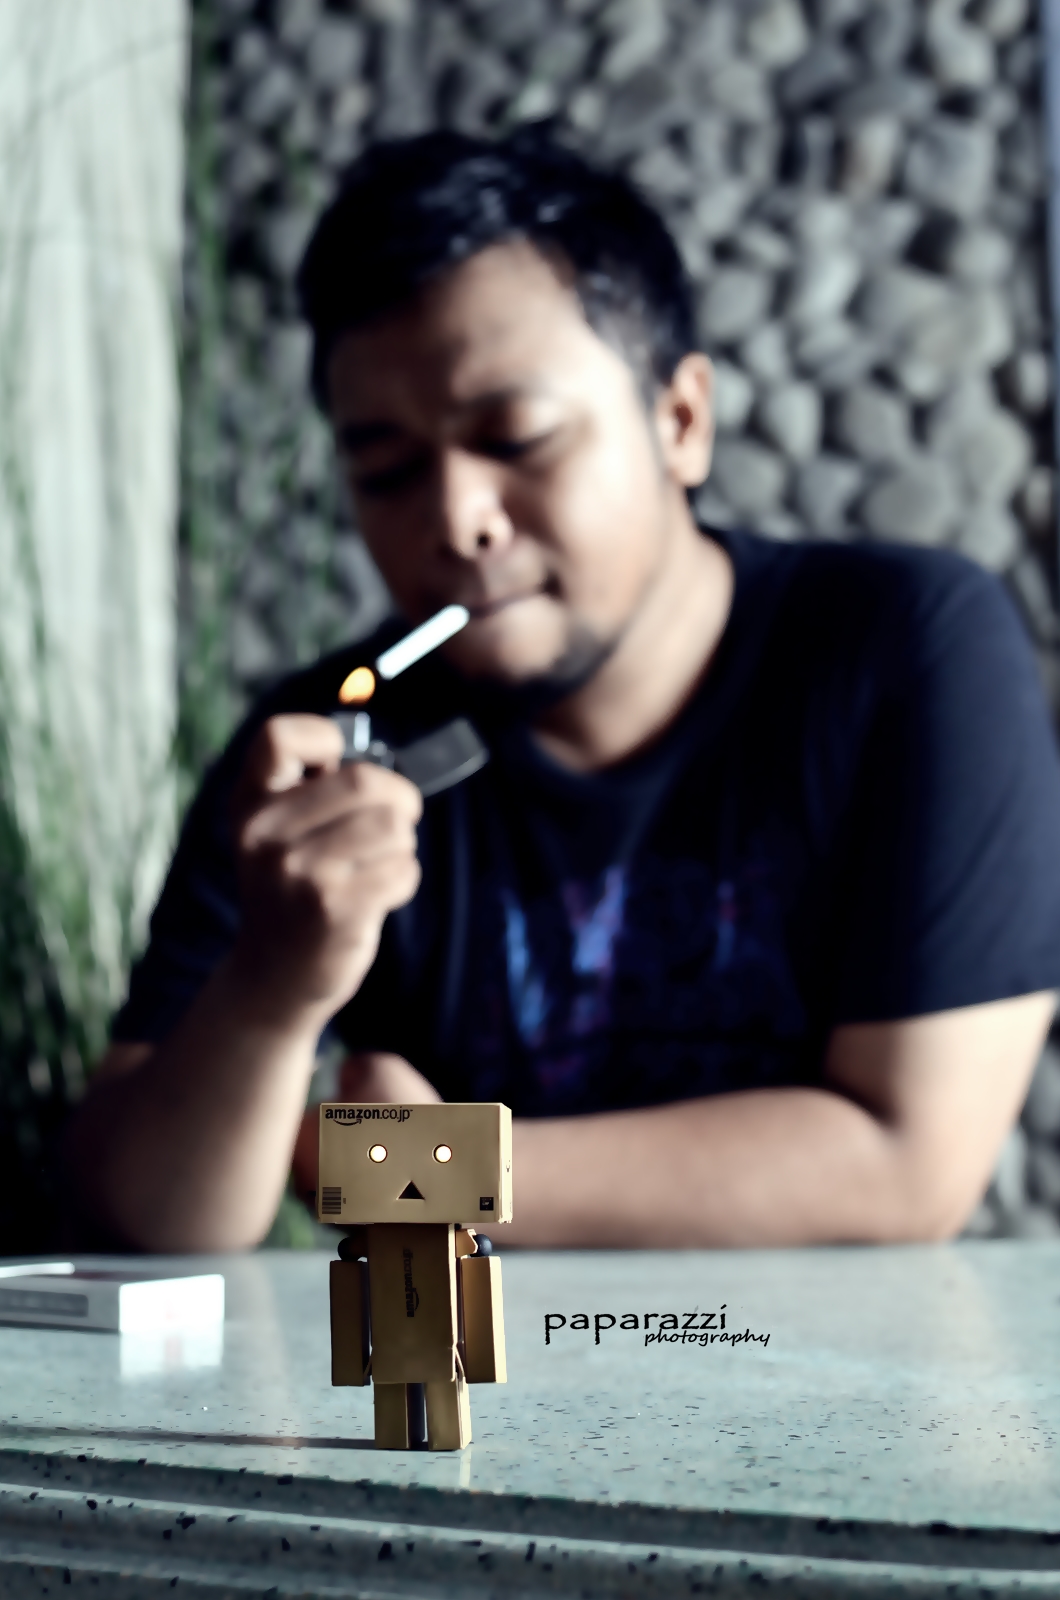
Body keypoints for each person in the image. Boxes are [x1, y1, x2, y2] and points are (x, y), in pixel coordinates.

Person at [64, 128, 1060, 1253]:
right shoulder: (322, 752)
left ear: (681, 422)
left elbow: (907, 1166)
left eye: (516, 437)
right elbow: (137, 1219)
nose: (455, 520)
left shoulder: (903, 647)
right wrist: (269, 988)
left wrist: (413, 1164)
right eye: (386, 469)